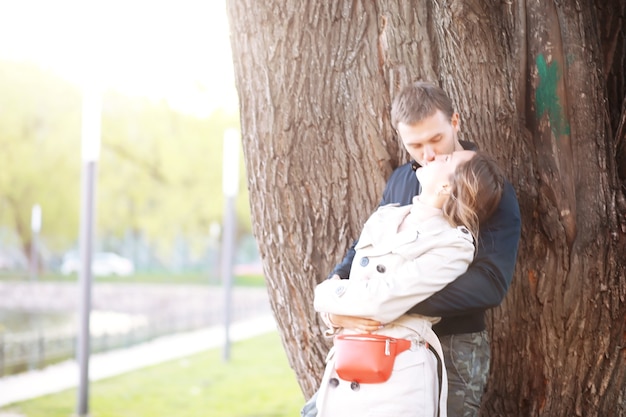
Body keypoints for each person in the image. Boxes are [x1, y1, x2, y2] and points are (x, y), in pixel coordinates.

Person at [303, 81, 521, 417]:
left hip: (451, 342)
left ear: (455, 122)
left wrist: (383, 304)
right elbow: (362, 249)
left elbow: (490, 282)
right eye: (416, 145)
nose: (429, 154)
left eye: (437, 140)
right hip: (379, 339)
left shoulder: (481, 180)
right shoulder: (403, 181)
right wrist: (339, 300)